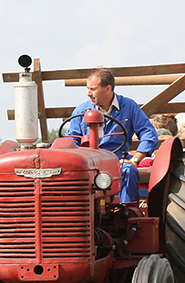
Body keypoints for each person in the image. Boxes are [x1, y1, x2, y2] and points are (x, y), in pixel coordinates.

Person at [64, 69, 158, 203]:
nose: (88, 93)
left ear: (107, 89)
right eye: (87, 89)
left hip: (118, 159)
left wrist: (135, 159)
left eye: (92, 89)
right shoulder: (81, 111)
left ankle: (128, 212)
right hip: (89, 162)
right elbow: (71, 139)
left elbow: (148, 133)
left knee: (129, 169)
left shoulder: (129, 106)